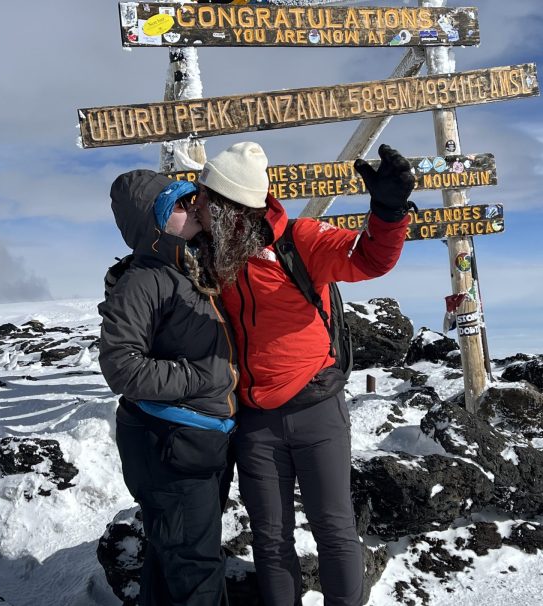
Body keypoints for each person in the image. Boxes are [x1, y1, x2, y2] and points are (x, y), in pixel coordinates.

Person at [193, 141, 414, 606]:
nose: (198, 205)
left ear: (230, 206)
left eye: (205, 198)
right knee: (270, 539)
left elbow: (369, 258)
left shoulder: (301, 240)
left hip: (317, 410)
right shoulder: (210, 255)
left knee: (334, 529)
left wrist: (388, 213)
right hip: (255, 420)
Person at [98, 169, 239, 605]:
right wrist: (201, 378)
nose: (193, 207)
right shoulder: (146, 278)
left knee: (173, 559)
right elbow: (121, 366)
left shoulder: (190, 270)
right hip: (169, 442)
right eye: (180, 204)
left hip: (196, 440)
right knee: (195, 571)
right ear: (155, 220)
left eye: (192, 199)